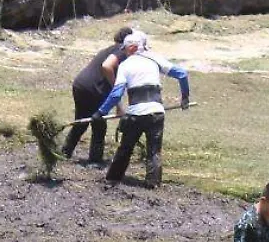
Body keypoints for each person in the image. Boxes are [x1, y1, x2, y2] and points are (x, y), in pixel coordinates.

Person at [95, 31, 191, 188]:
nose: (124, 53)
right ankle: (153, 183)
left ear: (132, 48)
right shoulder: (154, 59)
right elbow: (182, 74)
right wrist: (185, 97)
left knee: (125, 148)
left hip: (136, 114)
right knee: (154, 151)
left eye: (125, 49)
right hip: (156, 113)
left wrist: (100, 113)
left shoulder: (125, 65)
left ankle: (112, 178)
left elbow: (116, 94)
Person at [61, 27, 135, 166]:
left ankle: (64, 153)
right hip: (93, 88)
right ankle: (95, 160)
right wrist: (116, 88)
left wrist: (119, 104)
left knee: (81, 121)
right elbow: (106, 67)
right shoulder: (121, 51)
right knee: (99, 124)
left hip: (80, 84)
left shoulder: (109, 49)